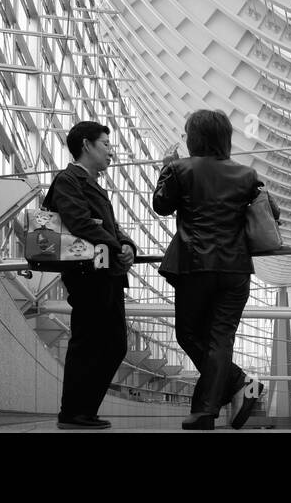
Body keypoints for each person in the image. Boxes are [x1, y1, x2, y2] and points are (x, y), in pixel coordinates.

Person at [153, 110, 266, 430]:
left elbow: (161, 205)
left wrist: (165, 168)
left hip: (196, 267)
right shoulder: (247, 175)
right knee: (220, 340)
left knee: (189, 334)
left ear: (197, 137)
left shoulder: (180, 169)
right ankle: (221, 399)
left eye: (188, 133)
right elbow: (272, 212)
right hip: (235, 271)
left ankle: (234, 388)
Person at [49, 121, 137, 429]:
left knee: (113, 344)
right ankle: (73, 412)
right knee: (89, 341)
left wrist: (126, 245)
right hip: (87, 273)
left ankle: (83, 409)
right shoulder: (68, 180)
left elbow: (109, 227)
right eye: (106, 145)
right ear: (86, 145)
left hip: (105, 272)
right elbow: (79, 222)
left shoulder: (93, 184)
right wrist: (116, 245)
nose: (111, 152)